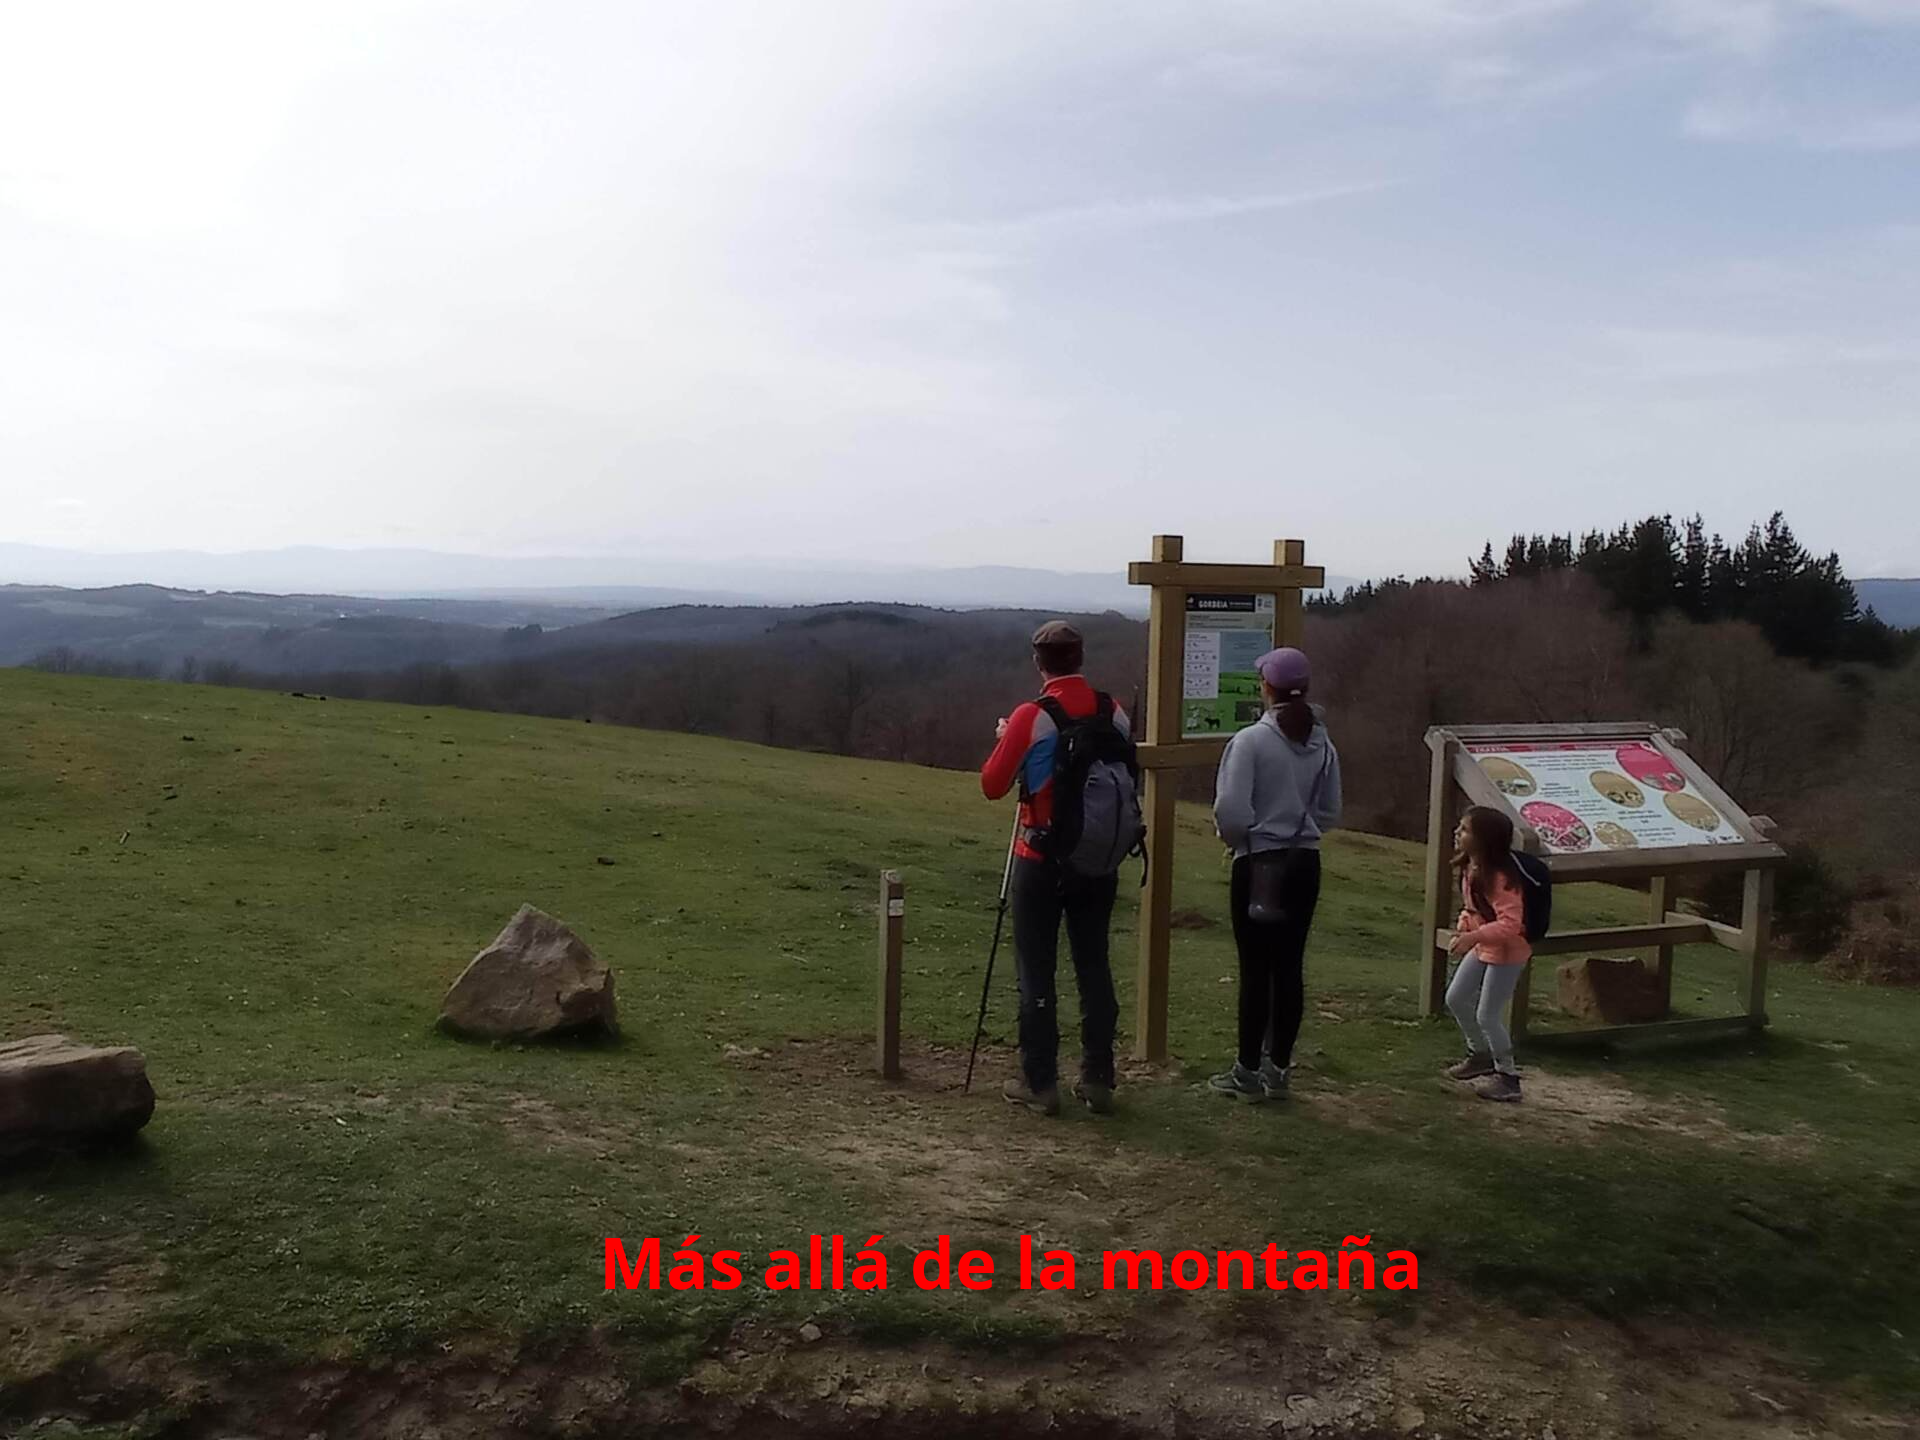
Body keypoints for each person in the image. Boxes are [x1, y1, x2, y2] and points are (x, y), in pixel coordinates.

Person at [980, 621, 1129, 1117]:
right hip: (1099, 858)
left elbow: (992, 784)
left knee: (1037, 970)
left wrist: (1008, 739)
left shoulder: (1032, 716)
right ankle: (1098, 1077)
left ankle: (1040, 1081)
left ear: (1038, 662)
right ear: (1080, 658)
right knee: (1094, 965)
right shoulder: (1113, 712)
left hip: (1040, 859)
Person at [1208, 647, 1341, 1102]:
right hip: (1305, 863)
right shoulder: (1323, 744)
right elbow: (1330, 811)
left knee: (1255, 970)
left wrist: (1240, 839)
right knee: (1288, 968)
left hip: (1259, 862)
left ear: (1267, 687)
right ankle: (1278, 1069)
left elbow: (1230, 810)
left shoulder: (1250, 742)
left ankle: (1246, 1070)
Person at [1444, 805, 1530, 1103]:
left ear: (1484, 839)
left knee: (1488, 1015)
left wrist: (1472, 937)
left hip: (1508, 952)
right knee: (1456, 998)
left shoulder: (1501, 878)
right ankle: (1479, 1054)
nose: (1457, 832)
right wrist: (1464, 927)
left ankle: (1508, 1077)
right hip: (1484, 945)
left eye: (1465, 829)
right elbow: (1473, 908)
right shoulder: (1471, 867)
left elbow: (1511, 924)